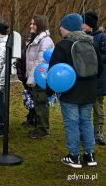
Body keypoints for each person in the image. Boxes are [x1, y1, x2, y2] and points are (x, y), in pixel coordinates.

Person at [47, 13, 102, 168]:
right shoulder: (91, 44)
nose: (60, 29)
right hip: (89, 92)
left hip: (70, 93)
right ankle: (90, 155)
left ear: (67, 28)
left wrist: (49, 92)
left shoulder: (62, 46)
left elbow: (53, 72)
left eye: (62, 27)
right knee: (86, 122)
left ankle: (74, 156)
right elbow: (99, 70)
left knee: (71, 124)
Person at [25, 15, 54, 138]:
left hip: (40, 79)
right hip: (35, 77)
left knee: (41, 103)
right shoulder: (35, 38)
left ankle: (42, 130)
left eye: (34, 24)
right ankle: (40, 127)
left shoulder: (45, 41)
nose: (31, 26)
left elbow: (39, 62)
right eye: (31, 23)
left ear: (40, 25)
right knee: (38, 103)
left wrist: (31, 79)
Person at [82, 10, 106, 145]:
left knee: (98, 108)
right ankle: (85, 132)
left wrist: (92, 56)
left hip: (98, 80)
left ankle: (98, 132)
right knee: (84, 107)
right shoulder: (81, 36)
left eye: (83, 22)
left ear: (90, 24)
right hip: (85, 79)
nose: (81, 25)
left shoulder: (102, 37)